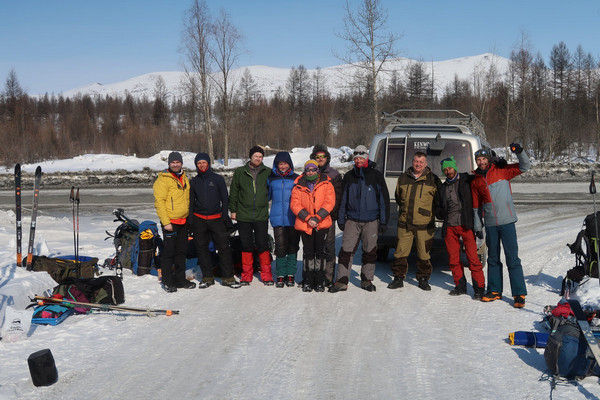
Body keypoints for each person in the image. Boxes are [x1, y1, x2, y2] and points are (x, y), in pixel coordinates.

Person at [471, 143, 530, 308]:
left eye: (483, 159)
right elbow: (476, 207)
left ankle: (519, 294)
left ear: (488, 159)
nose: (481, 162)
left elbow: (525, 166)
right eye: (478, 159)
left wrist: (520, 152)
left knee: (513, 258)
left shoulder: (502, 170)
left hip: (507, 222)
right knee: (493, 258)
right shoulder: (476, 181)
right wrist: (477, 227)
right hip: (490, 225)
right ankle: (495, 290)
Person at [329, 145, 390, 293]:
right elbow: (343, 199)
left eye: (361, 158)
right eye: (356, 158)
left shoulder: (376, 175)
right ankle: (341, 281)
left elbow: (383, 200)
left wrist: (383, 221)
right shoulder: (349, 176)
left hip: (371, 221)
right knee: (346, 251)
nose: (358, 160)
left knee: (370, 251)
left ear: (366, 158)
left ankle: (366, 280)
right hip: (352, 220)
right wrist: (341, 219)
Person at [389, 151, 442, 291]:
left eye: (421, 162)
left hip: (424, 224)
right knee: (400, 252)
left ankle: (423, 278)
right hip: (404, 222)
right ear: (412, 162)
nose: (418, 164)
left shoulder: (433, 179)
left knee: (423, 253)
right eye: (416, 161)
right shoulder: (403, 178)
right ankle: (398, 277)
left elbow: (438, 201)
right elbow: (399, 197)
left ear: (426, 164)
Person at [189, 152, 241, 289]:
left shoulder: (217, 179)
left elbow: (224, 198)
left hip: (216, 219)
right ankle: (207, 277)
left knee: (224, 248)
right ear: (196, 165)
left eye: (204, 162)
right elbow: (191, 202)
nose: (201, 165)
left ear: (208, 163)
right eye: (199, 163)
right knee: (202, 249)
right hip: (199, 220)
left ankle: (228, 277)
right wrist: (191, 220)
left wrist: (224, 216)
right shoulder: (194, 182)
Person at [436, 156, 485, 299]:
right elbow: (438, 208)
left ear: (455, 168)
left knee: (473, 258)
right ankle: (460, 286)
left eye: (450, 168)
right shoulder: (443, 188)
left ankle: (479, 288)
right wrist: (440, 213)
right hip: (450, 226)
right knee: (453, 258)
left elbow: (480, 177)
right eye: (445, 169)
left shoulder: (466, 180)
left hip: (466, 224)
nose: (448, 171)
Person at [229, 145, 274, 285]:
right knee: (246, 245)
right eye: (256, 156)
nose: (258, 159)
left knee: (262, 244)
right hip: (243, 215)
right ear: (250, 157)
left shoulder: (268, 172)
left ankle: (266, 275)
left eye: (261, 156)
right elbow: (234, 191)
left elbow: (272, 189)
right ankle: (246, 275)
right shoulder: (240, 172)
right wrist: (233, 210)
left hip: (261, 214)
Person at [153, 151, 196, 292]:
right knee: (168, 253)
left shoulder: (184, 177)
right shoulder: (163, 179)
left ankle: (180, 279)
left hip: (183, 221)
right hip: (170, 222)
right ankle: (167, 280)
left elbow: (188, 199)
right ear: (169, 164)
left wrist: (189, 217)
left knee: (181, 252)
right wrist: (166, 222)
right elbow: (159, 202)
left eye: (178, 162)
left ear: (181, 163)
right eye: (173, 162)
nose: (175, 164)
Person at [290, 160, 336, 292]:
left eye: (313, 169)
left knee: (320, 252)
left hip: (321, 223)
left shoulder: (326, 183)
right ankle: (308, 280)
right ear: (305, 171)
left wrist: (317, 217)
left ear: (317, 170)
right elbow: (295, 204)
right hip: (305, 224)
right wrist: (308, 218)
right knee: (308, 252)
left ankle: (320, 280)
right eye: (308, 169)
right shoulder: (298, 185)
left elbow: (329, 202)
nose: (310, 172)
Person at [310, 144, 343, 287]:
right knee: (314, 248)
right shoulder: (309, 173)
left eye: (323, 156)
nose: (320, 159)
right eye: (317, 156)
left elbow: (337, 198)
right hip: (311, 219)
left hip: (328, 218)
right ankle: (314, 277)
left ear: (327, 158)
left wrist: (327, 215)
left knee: (329, 248)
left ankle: (328, 277)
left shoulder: (334, 175)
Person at [267, 152, 300, 288]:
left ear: (289, 164)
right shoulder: (271, 179)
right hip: (277, 218)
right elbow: (266, 197)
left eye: (285, 163)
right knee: (280, 247)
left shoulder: (296, 178)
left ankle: (291, 274)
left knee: (292, 246)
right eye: (280, 163)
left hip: (293, 218)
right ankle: (281, 274)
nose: (283, 166)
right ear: (276, 165)